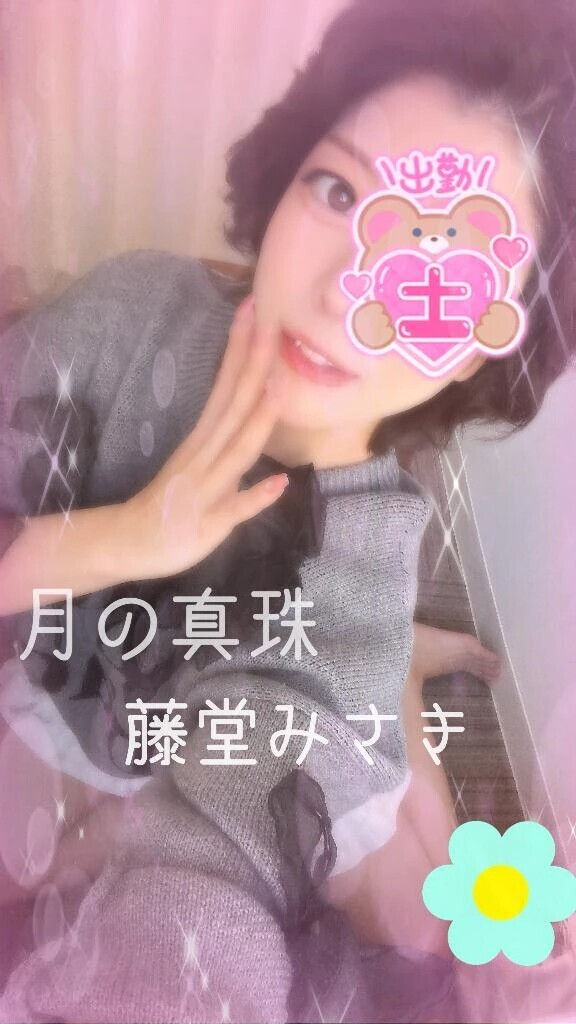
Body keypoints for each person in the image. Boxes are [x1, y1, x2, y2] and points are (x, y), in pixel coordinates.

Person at [0, 0, 575, 1020]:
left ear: (490, 343)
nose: (348, 289)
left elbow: (218, 876)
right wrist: (123, 537)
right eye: (339, 188)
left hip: (173, 761)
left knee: (398, 874)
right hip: (47, 707)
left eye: (442, 273)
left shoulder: (359, 572)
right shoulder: (131, 315)